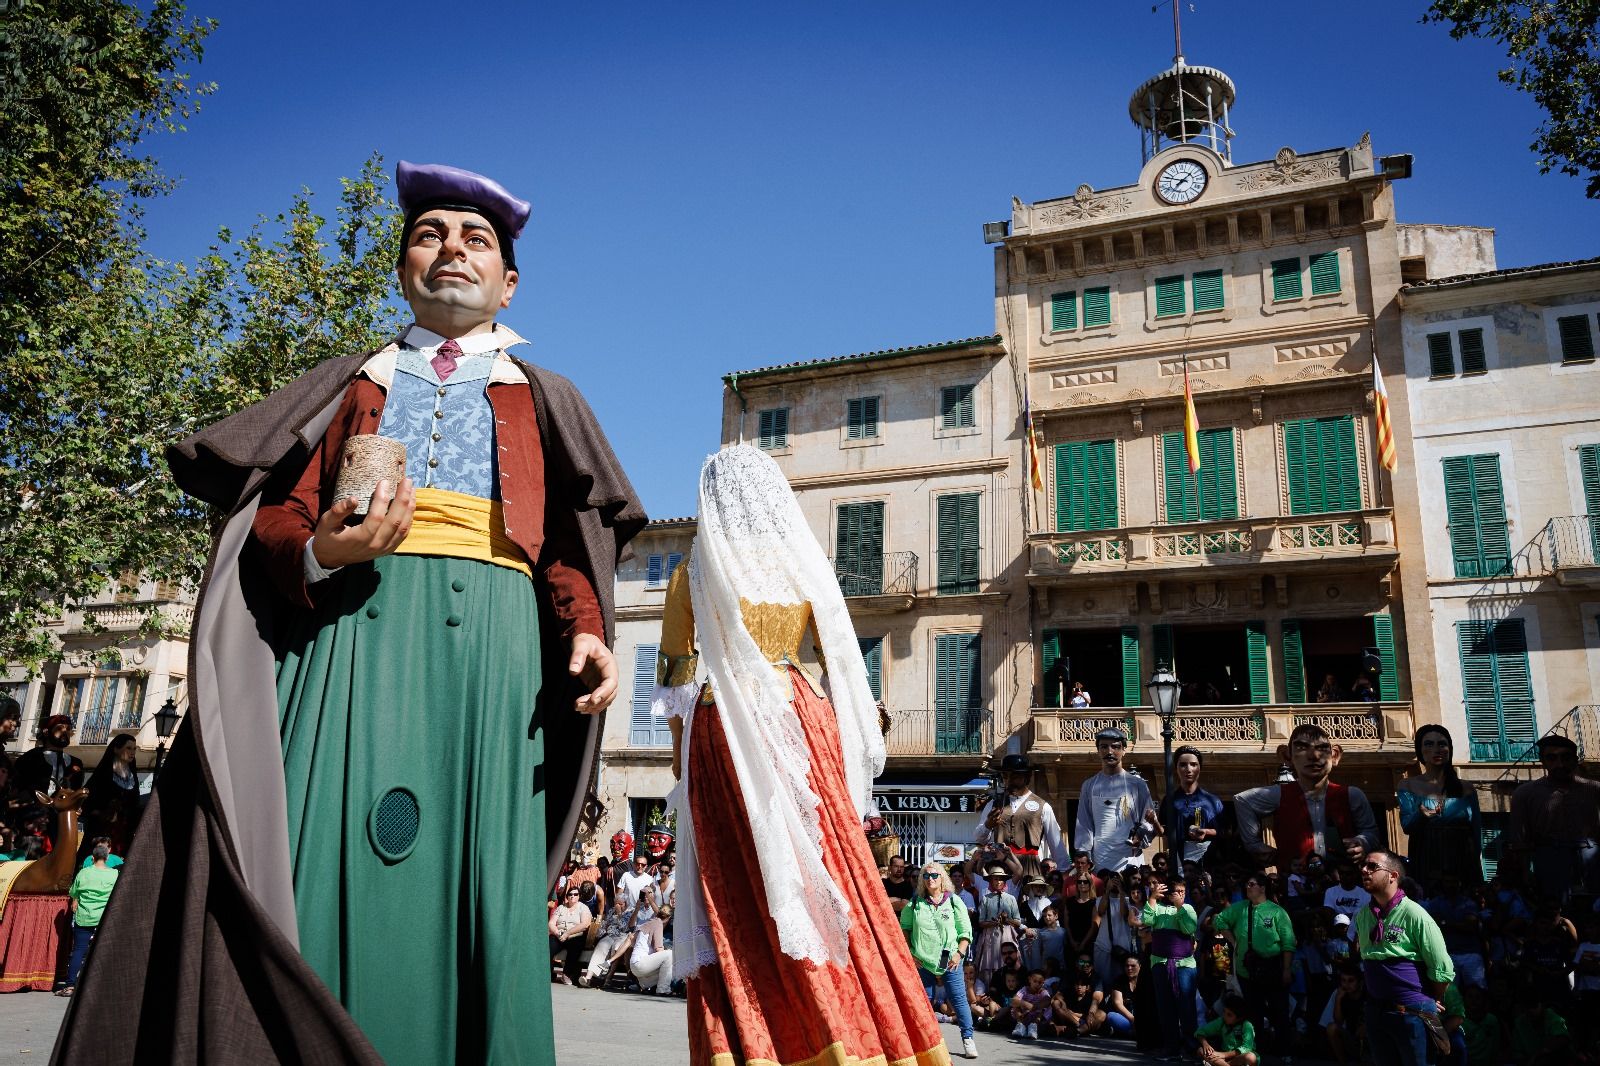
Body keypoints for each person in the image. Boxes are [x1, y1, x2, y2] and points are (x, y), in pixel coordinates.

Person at [57, 161, 647, 1066]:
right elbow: (275, 517)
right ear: (402, 267)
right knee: (321, 853)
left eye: (477, 240)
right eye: (429, 234)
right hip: (346, 643)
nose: (452, 250)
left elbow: (570, 549)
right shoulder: (350, 383)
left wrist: (590, 633)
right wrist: (325, 550)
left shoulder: (546, 396)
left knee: (471, 873)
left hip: (491, 662)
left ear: (510, 281)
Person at [652, 446, 945, 1065]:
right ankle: (865, 1030)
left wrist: (681, 760)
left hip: (723, 724)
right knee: (830, 871)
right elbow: (836, 654)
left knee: (734, 887)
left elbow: (677, 673)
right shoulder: (800, 567)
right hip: (801, 713)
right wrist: (846, 734)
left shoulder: (695, 573)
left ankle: (754, 1043)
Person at [1234, 722, 1381, 868]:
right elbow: (1242, 800)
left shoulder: (1352, 795)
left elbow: (1371, 832)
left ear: (1335, 755)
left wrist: (1362, 842)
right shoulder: (1280, 794)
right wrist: (1253, 844)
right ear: (1287, 756)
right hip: (1296, 881)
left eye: (1322, 748)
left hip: (1343, 882)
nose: (1314, 756)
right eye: (1302, 748)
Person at [1355, 851, 1455, 1066]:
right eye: (1363, 866)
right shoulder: (1363, 915)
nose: (1364, 870)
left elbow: (1442, 967)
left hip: (1411, 1013)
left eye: (1372, 867)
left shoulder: (1415, 914)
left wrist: (1428, 999)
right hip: (1376, 1012)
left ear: (1392, 875)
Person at [1506, 733, 1600, 902]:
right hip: (1549, 860)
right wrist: (1526, 872)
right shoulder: (1525, 793)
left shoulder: (1594, 789)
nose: (1560, 764)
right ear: (1543, 761)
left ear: (1575, 759)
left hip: (1592, 860)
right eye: (1552, 758)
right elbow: (1519, 839)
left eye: (1566, 757)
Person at [1213, 872, 1296, 1058]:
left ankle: (1285, 1052)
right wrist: (1234, 942)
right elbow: (1218, 920)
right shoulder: (1240, 908)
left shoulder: (1277, 911)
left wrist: (1286, 969)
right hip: (1247, 971)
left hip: (1273, 968)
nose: (1248, 887)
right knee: (1253, 1015)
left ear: (1263, 887)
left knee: (1279, 1012)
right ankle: (1257, 1052)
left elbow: (1288, 943)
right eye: (1247, 884)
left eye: (1252, 884)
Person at [900, 861, 977, 1059]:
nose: (931, 879)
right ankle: (924, 1043)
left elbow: (965, 932)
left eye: (934, 875)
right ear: (921, 880)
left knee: (959, 1000)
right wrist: (910, 952)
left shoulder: (953, 901)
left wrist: (959, 953)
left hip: (948, 958)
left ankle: (968, 1039)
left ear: (942, 878)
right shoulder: (916, 902)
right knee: (923, 1002)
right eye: (926, 876)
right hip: (923, 960)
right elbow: (905, 928)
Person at [1399, 725, 1483, 886]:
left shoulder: (1466, 788)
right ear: (1420, 750)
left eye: (1442, 744)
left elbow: (1476, 830)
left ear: (1449, 749)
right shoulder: (1407, 785)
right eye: (1429, 744)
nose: (1436, 749)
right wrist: (1421, 816)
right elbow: (1407, 826)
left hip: (1462, 860)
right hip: (1426, 857)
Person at [973, 753, 1067, 881]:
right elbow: (979, 838)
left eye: (1015, 776)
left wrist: (1063, 871)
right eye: (1005, 776)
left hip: (1029, 869)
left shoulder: (1043, 806)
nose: (1009, 781)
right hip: (999, 869)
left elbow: (1055, 842)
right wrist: (988, 825)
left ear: (1027, 777)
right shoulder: (993, 804)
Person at [1075, 727, 1157, 874]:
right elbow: (1084, 822)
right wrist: (1084, 852)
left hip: (1130, 857)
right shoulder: (1089, 785)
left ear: (1124, 750)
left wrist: (1140, 835)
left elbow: (1149, 819)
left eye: (1115, 747)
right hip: (1100, 858)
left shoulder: (1137, 784)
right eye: (1104, 747)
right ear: (1098, 750)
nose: (1109, 751)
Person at [1145, 876, 1199, 1058]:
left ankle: (1191, 1048)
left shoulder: (1188, 909)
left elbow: (1188, 929)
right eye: (1177, 892)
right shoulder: (1158, 908)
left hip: (1184, 965)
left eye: (1184, 892)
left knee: (1186, 1006)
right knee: (1165, 1007)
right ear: (1169, 894)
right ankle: (1171, 1047)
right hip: (1160, 963)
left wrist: (1179, 907)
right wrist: (1152, 898)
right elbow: (1147, 920)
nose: (1181, 895)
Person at [61, 842, 119, 997]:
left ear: (92, 858)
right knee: (105, 951)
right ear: (107, 857)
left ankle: (70, 986)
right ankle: (103, 985)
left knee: (79, 950)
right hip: (105, 918)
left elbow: (73, 892)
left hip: (84, 917)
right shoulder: (114, 874)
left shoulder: (84, 873)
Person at [1162, 746, 1226, 871]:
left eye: (1193, 764)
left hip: (1208, 861)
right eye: (1183, 765)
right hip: (1179, 861)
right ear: (1176, 768)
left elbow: (1223, 831)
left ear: (1199, 768)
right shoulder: (1169, 800)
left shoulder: (1213, 801)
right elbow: (1164, 830)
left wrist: (1206, 832)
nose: (1188, 769)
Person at [80, 734, 141, 860]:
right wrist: (102, 812)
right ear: (116, 749)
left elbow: (135, 803)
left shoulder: (132, 776)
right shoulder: (105, 772)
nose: (132, 752)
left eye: (134, 749)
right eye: (128, 748)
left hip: (124, 833)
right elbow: (88, 798)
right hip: (101, 832)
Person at [972, 864, 1024, 977]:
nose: (998, 881)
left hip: (1007, 935)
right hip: (990, 936)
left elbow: (1018, 922)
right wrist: (994, 923)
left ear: (1005, 881)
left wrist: (1007, 920)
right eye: (995, 878)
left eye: (1001, 879)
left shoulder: (1011, 899)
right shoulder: (986, 898)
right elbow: (981, 922)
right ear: (991, 880)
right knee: (990, 965)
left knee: (1009, 962)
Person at [1093, 870, 1138, 990]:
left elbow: (1124, 914)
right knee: (1104, 981)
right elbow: (1101, 911)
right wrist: (1107, 891)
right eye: (1111, 881)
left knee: (1121, 981)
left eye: (1118, 881)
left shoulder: (1128, 901)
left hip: (1122, 947)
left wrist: (1121, 892)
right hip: (1103, 946)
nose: (1114, 884)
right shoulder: (1099, 900)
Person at [1321, 961, 1368, 1066]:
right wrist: (1338, 1000)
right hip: (1351, 1037)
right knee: (1331, 1027)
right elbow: (1338, 1021)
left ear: (1359, 982)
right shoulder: (1340, 994)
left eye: (1351, 981)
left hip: (1370, 1039)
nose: (1346, 985)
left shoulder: (1367, 994)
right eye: (1343, 981)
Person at [583, 893, 635, 987]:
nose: (617, 906)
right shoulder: (611, 910)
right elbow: (605, 924)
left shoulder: (630, 912)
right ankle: (588, 978)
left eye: (620, 904)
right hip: (610, 935)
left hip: (623, 936)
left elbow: (625, 928)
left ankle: (608, 978)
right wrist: (601, 932)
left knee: (616, 948)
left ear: (626, 903)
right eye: (616, 903)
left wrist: (619, 915)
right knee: (600, 947)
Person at [1195, 994, 1259, 1066]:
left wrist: (1223, 1055)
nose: (1225, 1016)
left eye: (1229, 1014)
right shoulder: (1221, 1021)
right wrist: (1205, 1044)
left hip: (1239, 1059)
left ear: (1239, 1018)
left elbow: (1247, 1048)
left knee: (1251, 1057)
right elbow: (1200, 1032)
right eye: (1224, 1012)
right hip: (1225, 1060)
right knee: (1201, 1050)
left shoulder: (1246, 1025)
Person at [547, 884, 592, 985]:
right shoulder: (561, 907)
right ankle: (548, 973)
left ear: (579, 896)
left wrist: (568, 933)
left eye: (575, 894)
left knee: (576, 945)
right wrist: (557, 933)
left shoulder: (583, 908)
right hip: (559, 934)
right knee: (549, 946)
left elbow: (584, 925)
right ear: (567, 896)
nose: (572, 896)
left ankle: (566, 974)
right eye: (570, 894)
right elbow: (551, 923)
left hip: (574, 935)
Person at [629, 903, 674, 996]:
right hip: (640, 963)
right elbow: (659, 949)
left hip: (635, 963)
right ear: (669, 918)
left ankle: (644, 983)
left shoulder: (649, 922)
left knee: (666, 966)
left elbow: (632, 941)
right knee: (670, 955)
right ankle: (663, 989)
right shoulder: (658, 923)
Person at [1049, 966, 1106, 1038]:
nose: (1079, 987)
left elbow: (1087, 1016)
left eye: (1082, 985)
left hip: (1085, 1022)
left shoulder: (1089, 998)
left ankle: (1078, 1031)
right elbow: (1058, 997)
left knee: (1102, 1014)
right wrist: (1063, 1003)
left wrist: (1073, 1013)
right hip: (1071, 1020)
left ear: (1087, 987)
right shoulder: (1071, 995)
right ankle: (1075, 1028)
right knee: (1056, 1003)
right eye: (1077, 985)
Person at [1008, 968, 1052, 1039]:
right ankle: (1020, 1026)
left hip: (1037, 1018)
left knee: (1045, 1007)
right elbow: (1013, 1001)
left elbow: (1047, 1001)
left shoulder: (1043, 992)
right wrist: (1026, 1004)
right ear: (1029, 980)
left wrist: (1034, 1007)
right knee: (1016, 1006)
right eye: (1035, 981)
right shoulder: (1025, 990)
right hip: (1024, 1016)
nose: (1037, 984)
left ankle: (1033, 1028)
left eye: (1040, 982)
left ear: (1043, 983)